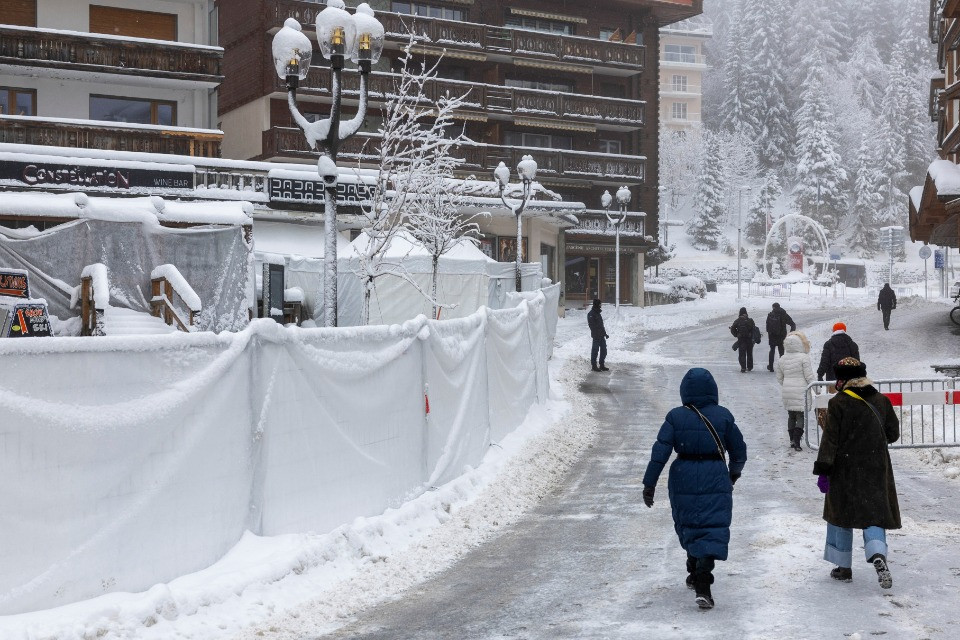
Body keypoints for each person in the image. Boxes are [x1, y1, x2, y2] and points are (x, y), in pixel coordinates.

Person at [642, 368, 747, 610]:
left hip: (683, 475)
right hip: (715, 474)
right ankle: (702, 581)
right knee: (712, 527)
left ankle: (694, 570)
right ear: (713, 391)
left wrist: (650, 483)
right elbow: (739, 450)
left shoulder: (676, 417)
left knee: (690, 524)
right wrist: (733, 473)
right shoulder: (723, 416)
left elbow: (659, 454)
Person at [813, 357, 901, 589]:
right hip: (875, 467)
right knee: (873, 514)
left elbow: (830, 440)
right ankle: (877, 555)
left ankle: (843, 568)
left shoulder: (838, 403)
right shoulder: (881, 400)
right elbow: (893, 433)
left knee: (840, 515)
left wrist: (824, 469)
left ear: (843, 380)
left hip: (845, 468)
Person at [774, 331, 814, 451]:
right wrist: (816, 387)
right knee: (801, 415)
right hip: (801, 391)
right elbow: (809, 376)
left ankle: (792, 440)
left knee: (791, 415)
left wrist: (786, 384)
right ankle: (797, 441)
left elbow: (779, 377)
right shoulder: (804, 358)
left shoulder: (782, 359)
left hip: (787, 390)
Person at [816, 322, 860, 389]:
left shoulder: (828, 344)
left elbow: (824, 362)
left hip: (833, 381)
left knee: (833, 398)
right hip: (849, 381)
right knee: (848, 399)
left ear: (834, 331)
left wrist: (820, 375)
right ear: (844, 330)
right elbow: (857, 363)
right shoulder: (852, 345)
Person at [765, 302, 796, 372]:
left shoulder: (770, 315)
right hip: (781, 336)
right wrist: (791, 333)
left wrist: (770, 332)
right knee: (781, 351)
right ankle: (782, 367)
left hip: (772, 336)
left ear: (773, 307)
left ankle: (771, 367)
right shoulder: (783, 314)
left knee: (772, 350)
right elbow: (792, 324)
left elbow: (767, 326)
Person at [729, 307, 757, 373]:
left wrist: (737, 334)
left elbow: (732, 329)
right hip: (749, 340)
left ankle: (743, 367)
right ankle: (750, 367)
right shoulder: (750, 320)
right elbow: (754, 329)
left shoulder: (738, 320)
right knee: (749, 353)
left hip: (741, 339)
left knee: (742, 353)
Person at [587, 298, 609, 372]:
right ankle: (594, 366)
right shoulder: (591, 314)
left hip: (601, 336)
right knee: (595, 351)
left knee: (604, 350)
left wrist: (605, 333)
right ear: (597, 304)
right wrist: (596, 334)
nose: (601, 305)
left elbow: (601, 325)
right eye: (600, 304)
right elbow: (592, 326)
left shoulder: (598, 313)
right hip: (596, 336)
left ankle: (602, 365)